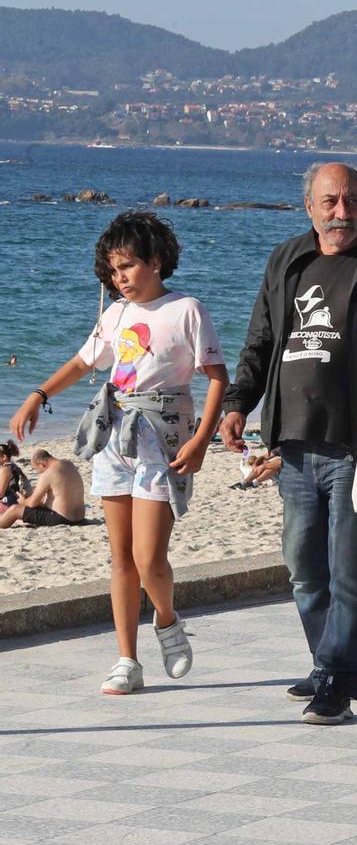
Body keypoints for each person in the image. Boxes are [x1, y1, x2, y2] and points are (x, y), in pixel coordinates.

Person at [218, 161, 357, 724]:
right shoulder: (287, 259)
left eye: (351, 200)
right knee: (304, 564)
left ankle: (340, 680)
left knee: (348, 567)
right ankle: (326, 660)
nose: (342, 212)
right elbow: (261, 340)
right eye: (330, 202)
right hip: (293, 444)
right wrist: (237, 403)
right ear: (310, 206)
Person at [10, 210, 229, 695]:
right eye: (112, 271)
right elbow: (82, 362)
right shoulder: (116, 314)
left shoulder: (187, 309)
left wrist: (201, 440)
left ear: (155, 260)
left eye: (127, 266)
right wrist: (38, 395)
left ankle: (168, 621)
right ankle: (127, 659)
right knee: (120, 558)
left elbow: (217, 378)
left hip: (163, 441)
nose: (119, 278)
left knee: (149, 558)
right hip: (115, 440)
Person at [0, 450, 85, 528]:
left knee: (14, 509)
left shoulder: (48, 474)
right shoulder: (68, 464)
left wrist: (23, 501)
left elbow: (32, 503)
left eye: (37, 469)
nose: (38, 472)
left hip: (61, 518)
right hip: (80, 517)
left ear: (42, 465)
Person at [0, 440, 25, 507]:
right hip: (17, 499)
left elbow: (0, 493)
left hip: (9, 503)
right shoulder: (14, 466)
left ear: (4, 457)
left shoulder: (5, 469)